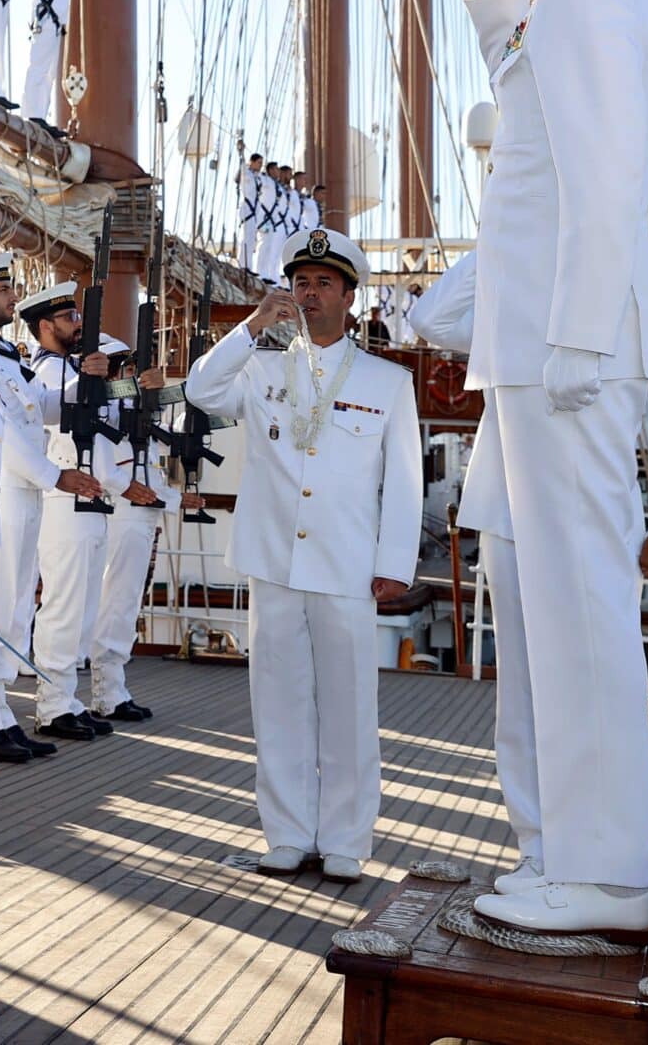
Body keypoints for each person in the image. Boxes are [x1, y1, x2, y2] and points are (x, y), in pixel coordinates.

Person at [458, 0, 648, 941]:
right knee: (551, 616)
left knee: (582, 614)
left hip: (561, 354)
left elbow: (602, 178)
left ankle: (602, 874)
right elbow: (509, 61)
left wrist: (582, 346)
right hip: (538, 353)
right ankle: (569, 856)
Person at [412, 252, 648, 900]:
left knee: (597, 685)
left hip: (593, 512)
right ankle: (538, 852)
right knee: (523, 699)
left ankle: (599, 858)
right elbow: (432, 318)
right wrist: (501, 236)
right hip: (510, 507)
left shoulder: (635, 266)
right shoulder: (514, 271)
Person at [185, 229, 423, 884]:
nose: (308, 293)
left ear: (349, 296)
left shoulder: (386, 381)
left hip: (347, 563)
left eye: (323, 283)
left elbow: (405, 481)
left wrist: (394, 563)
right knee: (279, 703)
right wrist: (250, 327)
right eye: (301, 282)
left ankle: (345, 839)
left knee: (348, 707)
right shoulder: (260, 368)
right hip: (273, 560)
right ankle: (286, 834)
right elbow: (200, 392)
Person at [0, 274, 101, 763]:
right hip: (3, 490)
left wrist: (90, 378)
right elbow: (3, 431)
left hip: (24, 495)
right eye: (3, 291)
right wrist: (53, 474)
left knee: (17, 606)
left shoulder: (4, 356)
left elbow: (39, 406)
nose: (13, 298)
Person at [30, 315, 145, 741]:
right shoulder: (51, 371)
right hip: (64, 499)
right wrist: (86, 377)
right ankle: (51, 705)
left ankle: (68, 700)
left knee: (83, 610)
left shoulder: (82, 379)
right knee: (63, 605)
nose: (113, 372)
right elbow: (54, 414)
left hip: (92, 501)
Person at [92, 354, 203, 723]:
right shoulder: (106, 413)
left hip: (145, 516)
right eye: (125, 368)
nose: (133, 376)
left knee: (125, 604)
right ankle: (106, 693)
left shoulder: (138, 413)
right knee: (118, 602)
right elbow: (111, 474)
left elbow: (153, 468)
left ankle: (113, 688)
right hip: (125, 516)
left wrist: (174, 497)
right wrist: (166, 497)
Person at [21, 0, 76, 133]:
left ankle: (41, 114)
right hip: (46, 18)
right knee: (38, 66)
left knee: (51, 72)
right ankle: (31, 114)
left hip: (58, 22)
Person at [236, 152, 266, 273]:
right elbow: (241, 164)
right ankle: (242, 265)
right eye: (259, 163)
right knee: (246, 237)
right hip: (247, 208)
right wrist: (241, 151)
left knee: (252, 239)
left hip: (255, 210)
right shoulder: (246, 173)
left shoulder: (257, 177)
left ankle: (248, 266)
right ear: (252, 162)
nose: (260, 166)